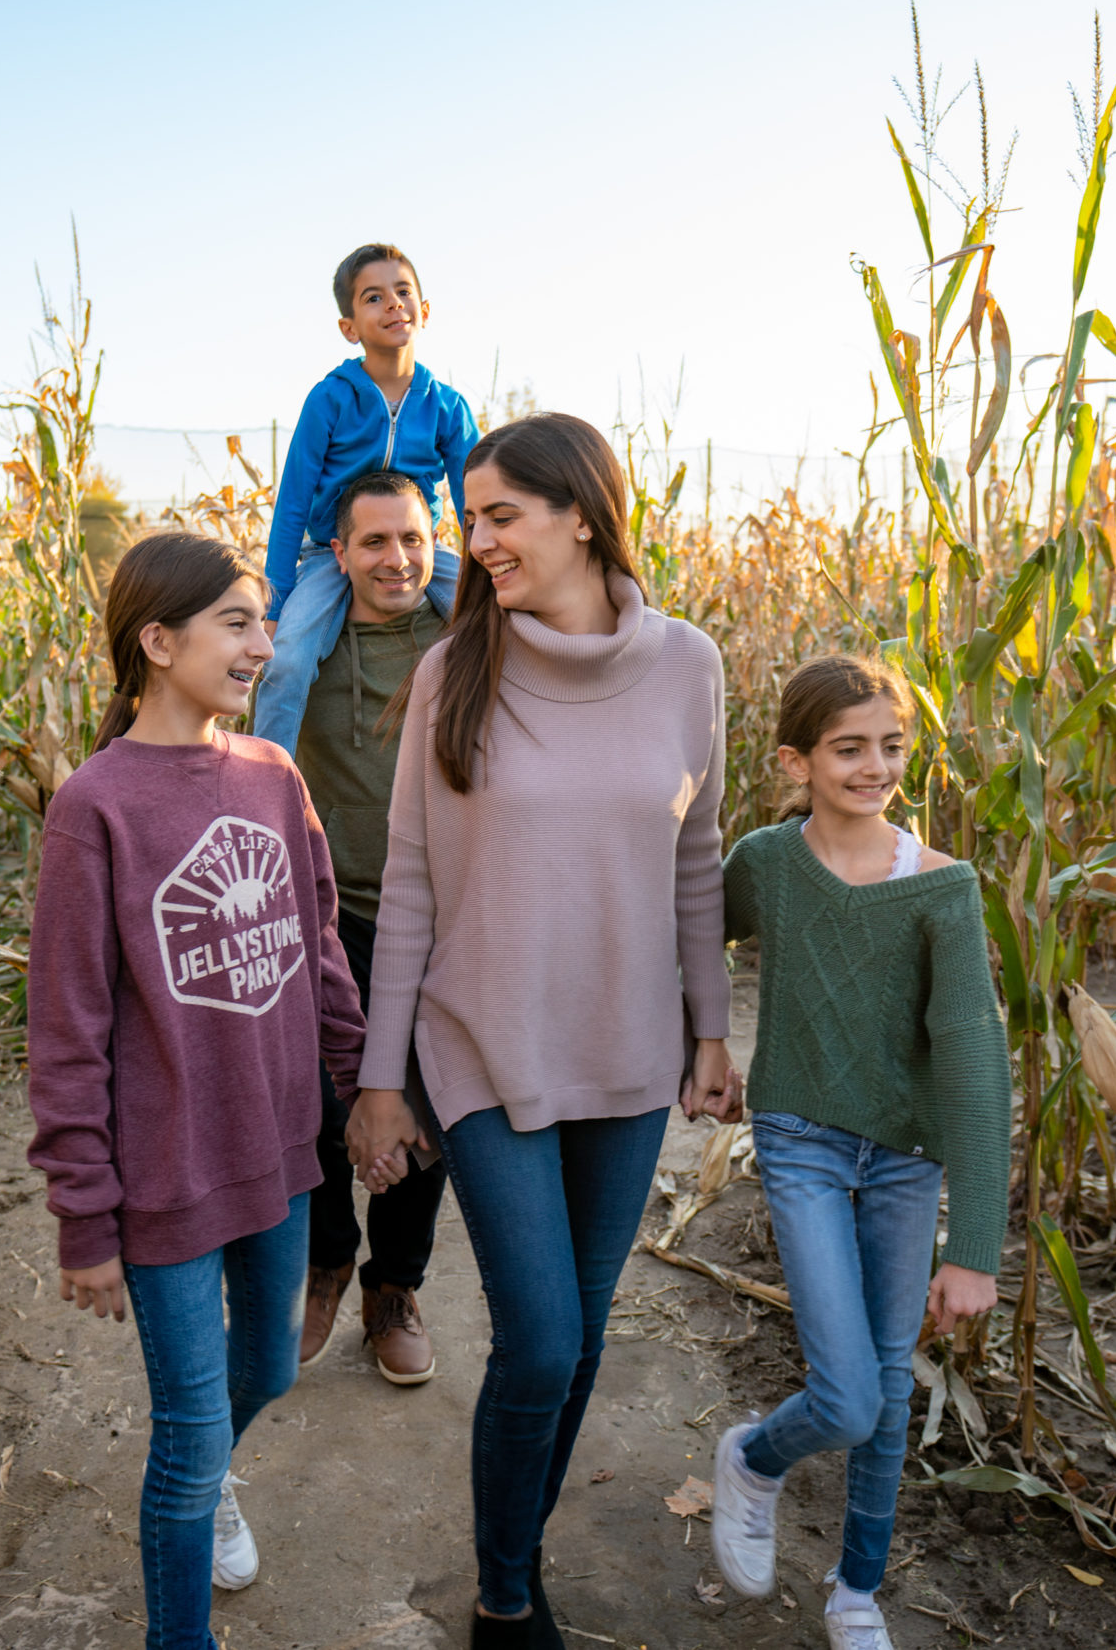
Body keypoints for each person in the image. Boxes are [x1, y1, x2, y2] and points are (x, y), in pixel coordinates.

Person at [348, 413, 743, 1649]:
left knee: (577, 1344)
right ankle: (504, 1599)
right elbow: (408, 880)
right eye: (472, 518)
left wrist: (712, 1029)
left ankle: (513, 1563)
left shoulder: (689, 666)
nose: (480, 541)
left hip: (627, 1054)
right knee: (544, 1336)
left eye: (500, 514)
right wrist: (379, 1081)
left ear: (582, 510)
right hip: (480, 1041)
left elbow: (696, 857)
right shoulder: (452, 671)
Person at [25, 531, 366, 1650]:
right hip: (167, 1169)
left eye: (265, 622)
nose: (265, 645)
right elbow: (66, 1029)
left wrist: (360, 1085)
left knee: (268, 1363)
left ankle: (217, 1464)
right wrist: (85, 1214)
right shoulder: (97, 806)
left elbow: (317, 944)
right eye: (237, 622)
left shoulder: (270, 775)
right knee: (183, 1436)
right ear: (156, 641)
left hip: (278, 1147)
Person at [704, 654, 1012, 1650]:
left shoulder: (941, 888)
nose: (874, 765)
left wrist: (973, 1245)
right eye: (848, 748)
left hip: (902, 1156)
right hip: (797, 1137)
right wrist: (698, 1047)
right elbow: (690, 938)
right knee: (847, 1393)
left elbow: (972, 1059)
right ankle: (755, 1456)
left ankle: (855, 1590)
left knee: (884, 1379)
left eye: (890, 745)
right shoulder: (763, 863)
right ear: (795, 760)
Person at [291, 469, 452, 1384]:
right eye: (376, 542)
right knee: (315, 1106)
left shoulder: (468, 637)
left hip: (435, 917)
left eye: (413, 539)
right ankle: (327, 1258)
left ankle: (395, 1285)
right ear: (341, 552)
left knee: (425, 1115)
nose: (397, 559)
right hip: (329, 914)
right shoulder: (299, 648)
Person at [251, 242, 479, 753]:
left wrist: (487, 577)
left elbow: (474, 503)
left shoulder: (446, 406)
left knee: (497, 627)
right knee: (286, 660)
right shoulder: (330, 398)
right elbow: (292, 502)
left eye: (403, 292)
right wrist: (276, 600)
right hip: (330, 554)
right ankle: (266, 779)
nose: (393, 304)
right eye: (373, 297)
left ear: (425, 309)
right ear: (349, 328)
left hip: (423, 552)